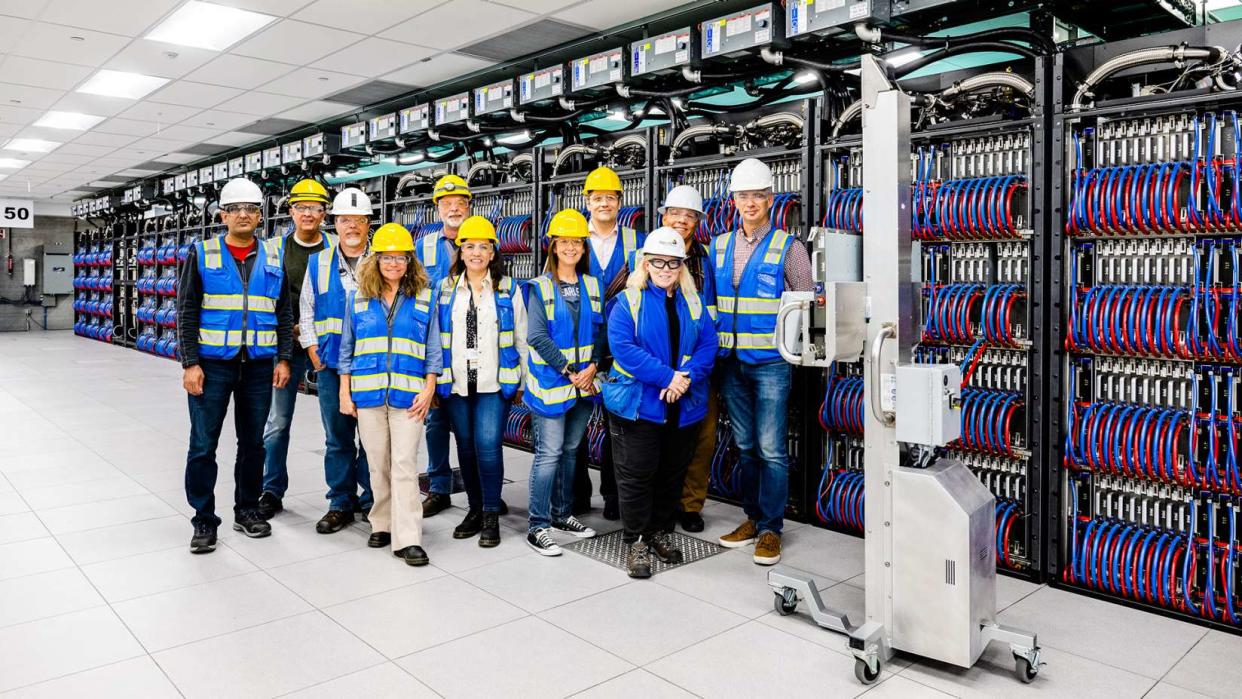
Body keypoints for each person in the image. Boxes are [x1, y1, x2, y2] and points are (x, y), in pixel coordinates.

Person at [177, 177, 293, 554]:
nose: (244, 215)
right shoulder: (202, 253)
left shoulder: (274, 255)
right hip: (212, 366)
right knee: (202, 445)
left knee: (253, 444)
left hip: (259, 366)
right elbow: (187, 310)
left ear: (260, 216)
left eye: (251, 209)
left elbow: (283, 311)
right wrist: (190, 363)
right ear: (222, 215)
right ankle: (204, 520)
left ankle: (246, 509)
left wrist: (284, 358)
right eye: (236, 209)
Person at [711, 158, 814, 566]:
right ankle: (751, 519)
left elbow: (806, 303)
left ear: (770, 199)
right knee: (746, 445)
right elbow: (709, 305)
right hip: (730, 362)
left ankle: (772, 528)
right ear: (733, 200)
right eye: (743, 196)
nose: (750, 202)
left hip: (771, 363)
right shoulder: (719, 245)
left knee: (771, 448)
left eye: (757, 195)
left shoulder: (789, 247)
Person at [603, 228, 718, 578]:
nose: (665, 269)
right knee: (637, 475)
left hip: (681, 404)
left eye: (672, 263)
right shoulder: (627, 301)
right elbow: (624, 350)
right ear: (646, 263)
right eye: (658, 262)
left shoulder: (693, 301)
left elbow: (708, 345)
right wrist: (669, 378)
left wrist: (684, 378)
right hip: (639, 404)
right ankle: (637, 540)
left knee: (672, 472)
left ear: (682, 265)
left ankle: (660, 532)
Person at [338, 223, 441, 567]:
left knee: (404, 465)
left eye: (401, 258)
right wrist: (344, 390)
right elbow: (347, 347)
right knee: (377, 464)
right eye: (387, 257)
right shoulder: (358, 297)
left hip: (409, 395)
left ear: (410, 261)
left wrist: (430, 387)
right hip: (367, 394)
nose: (394, 264)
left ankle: (407, 537)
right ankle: (381, 522)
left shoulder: (425, 296)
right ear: (376, 260)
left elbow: (433, 347)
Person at [435, 216, 529, 548]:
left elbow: (521, 338)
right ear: (460, 252)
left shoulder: (509, 288)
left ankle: (491, 513)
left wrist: (522, 382)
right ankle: (474, 509)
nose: (476, 252)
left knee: (488, 447)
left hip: (493, 382)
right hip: (457, 383)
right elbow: (435, 337)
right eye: (470, 246)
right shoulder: (444, 289)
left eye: (483, 247)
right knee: (465, 448)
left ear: (493, 253)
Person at [525, 209, 603, 556]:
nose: (571, 248)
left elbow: (601, 330)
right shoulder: (539, 287)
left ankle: (562, 513)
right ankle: (538, 525)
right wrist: (572, 370)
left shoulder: (592, 285)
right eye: (564, 242)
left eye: (577, 242)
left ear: (583, 248)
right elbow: (537, 337)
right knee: (549, 454)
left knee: (571, 452)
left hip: (584, 386)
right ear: (553, 247)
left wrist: (594, 365)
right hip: (553, 384)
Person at [299, 187, 374, 534]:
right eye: (345, 219)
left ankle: (374, 499)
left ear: (368, 223)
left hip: (374, 367)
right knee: (338, 439)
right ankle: (340, 502)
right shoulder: (320, 262)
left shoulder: (385, 259)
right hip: (330, 366)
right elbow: (307, 309)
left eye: (358, 220)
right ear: (335, 223)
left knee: (375, 438)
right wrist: (314, 352)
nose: (352, 226)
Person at [259, 178, 332, 519]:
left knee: (340, 422)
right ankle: (271, 490)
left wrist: (313, 330)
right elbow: (263, 298)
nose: (308, 214)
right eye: (301, 207)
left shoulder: (334, 248)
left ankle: (349, 493)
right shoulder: (273, 249)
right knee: (278, 420)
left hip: (327, 344)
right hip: (285, 347)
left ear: (324, 213)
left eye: (315, 208)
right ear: (291, 211)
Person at [577, 166, 646, 520]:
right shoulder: (572, 235)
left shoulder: (637, 240)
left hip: (622, 344)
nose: (604, 203)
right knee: (575, 422)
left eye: (610, 197)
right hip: (580, 342)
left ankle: (614, 494)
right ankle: (577, 495)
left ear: (620, 201)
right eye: (597, 197)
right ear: (587, 200)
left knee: (618, 424)